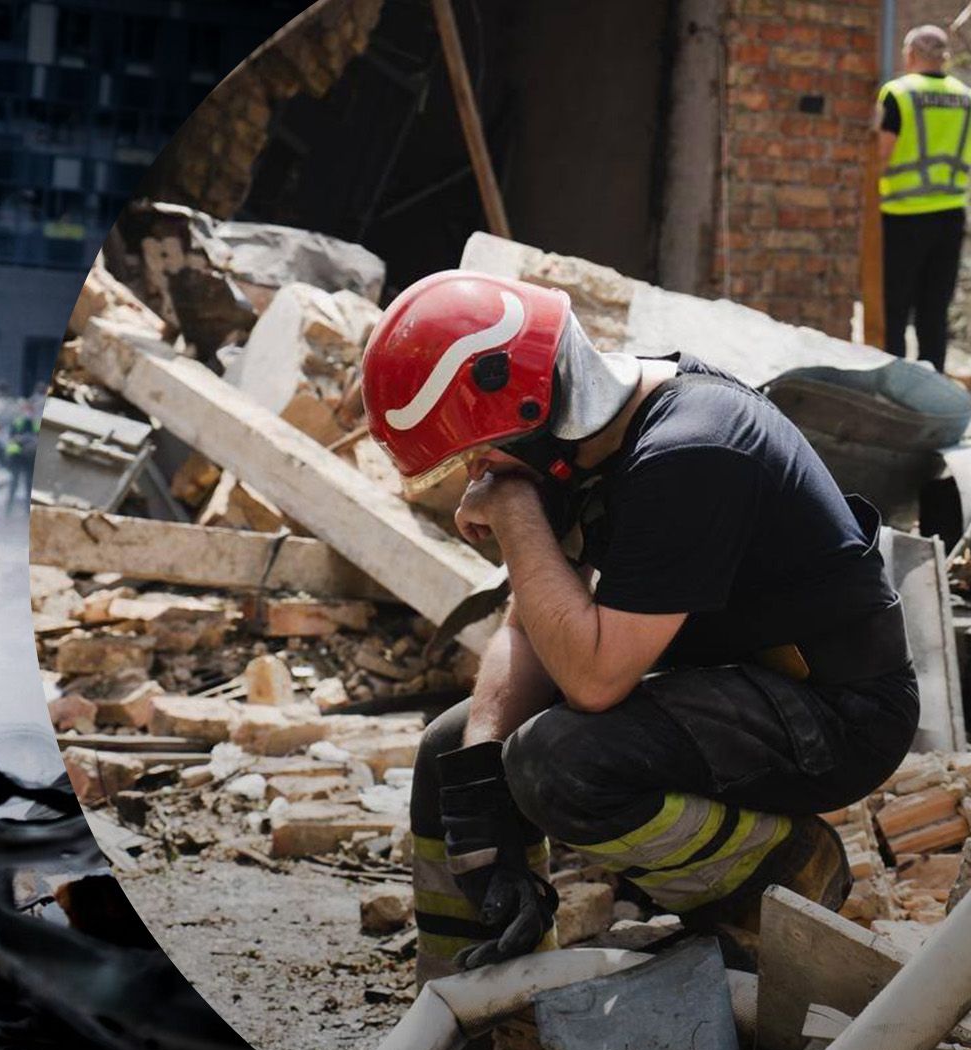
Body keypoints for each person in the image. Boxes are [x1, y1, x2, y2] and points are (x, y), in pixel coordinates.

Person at [359, 271, 916, 990]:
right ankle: (486, 1013)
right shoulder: (590, 442)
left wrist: (517, 511)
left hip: (837, 715)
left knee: (558, 760)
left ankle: (783, 869)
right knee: (454, 754)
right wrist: (477, 790)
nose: (476, 476)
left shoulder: (692, 448)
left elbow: (593, 680)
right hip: (728, 692)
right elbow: (531, 627)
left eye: (479, 453)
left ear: (526, 415)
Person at [879, 24, 971, 371]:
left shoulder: (899, 93)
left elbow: (881, 155)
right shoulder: (965, 96)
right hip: (949, 215)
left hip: (901, 214)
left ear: (911, 54)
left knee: (895, 309)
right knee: (935, 310)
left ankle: (892, 385)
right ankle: (930, 388)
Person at [1, 399, 38, 516]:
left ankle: (28, 511)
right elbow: (12, 438)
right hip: (17, 457)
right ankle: (8, 510)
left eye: (30, 410)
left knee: (29, 485)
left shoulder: (35, 423)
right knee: (14, 483)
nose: (28, 412)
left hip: (29, 458)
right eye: (27, 410)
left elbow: (37, 437)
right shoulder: (17, 422)